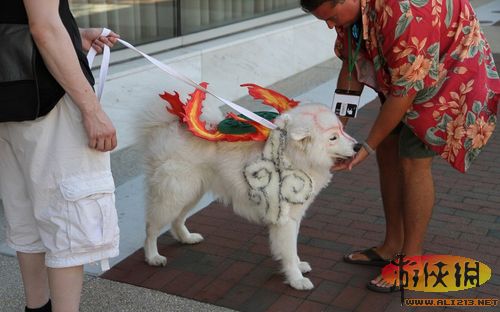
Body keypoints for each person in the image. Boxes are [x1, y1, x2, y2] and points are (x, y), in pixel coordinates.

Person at [300, 0, 500, 292]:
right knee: (388, 153)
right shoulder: (351, 17)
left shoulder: (404, 10)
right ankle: (392, 245)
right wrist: (334, 129)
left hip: (450, 71)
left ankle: (412, 260)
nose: (330, 26)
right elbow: (352, 64)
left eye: (331, 17)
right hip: (403, 69)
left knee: (412, 162)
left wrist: (365, 146)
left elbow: (406, 93)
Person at [0, 1, 120, 311]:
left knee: (24, 213)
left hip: (10, 92)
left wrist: (71, 32)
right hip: (48, 96)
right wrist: (91, 109)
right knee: (68, 221)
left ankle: (36, 307)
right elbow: (43, 26)